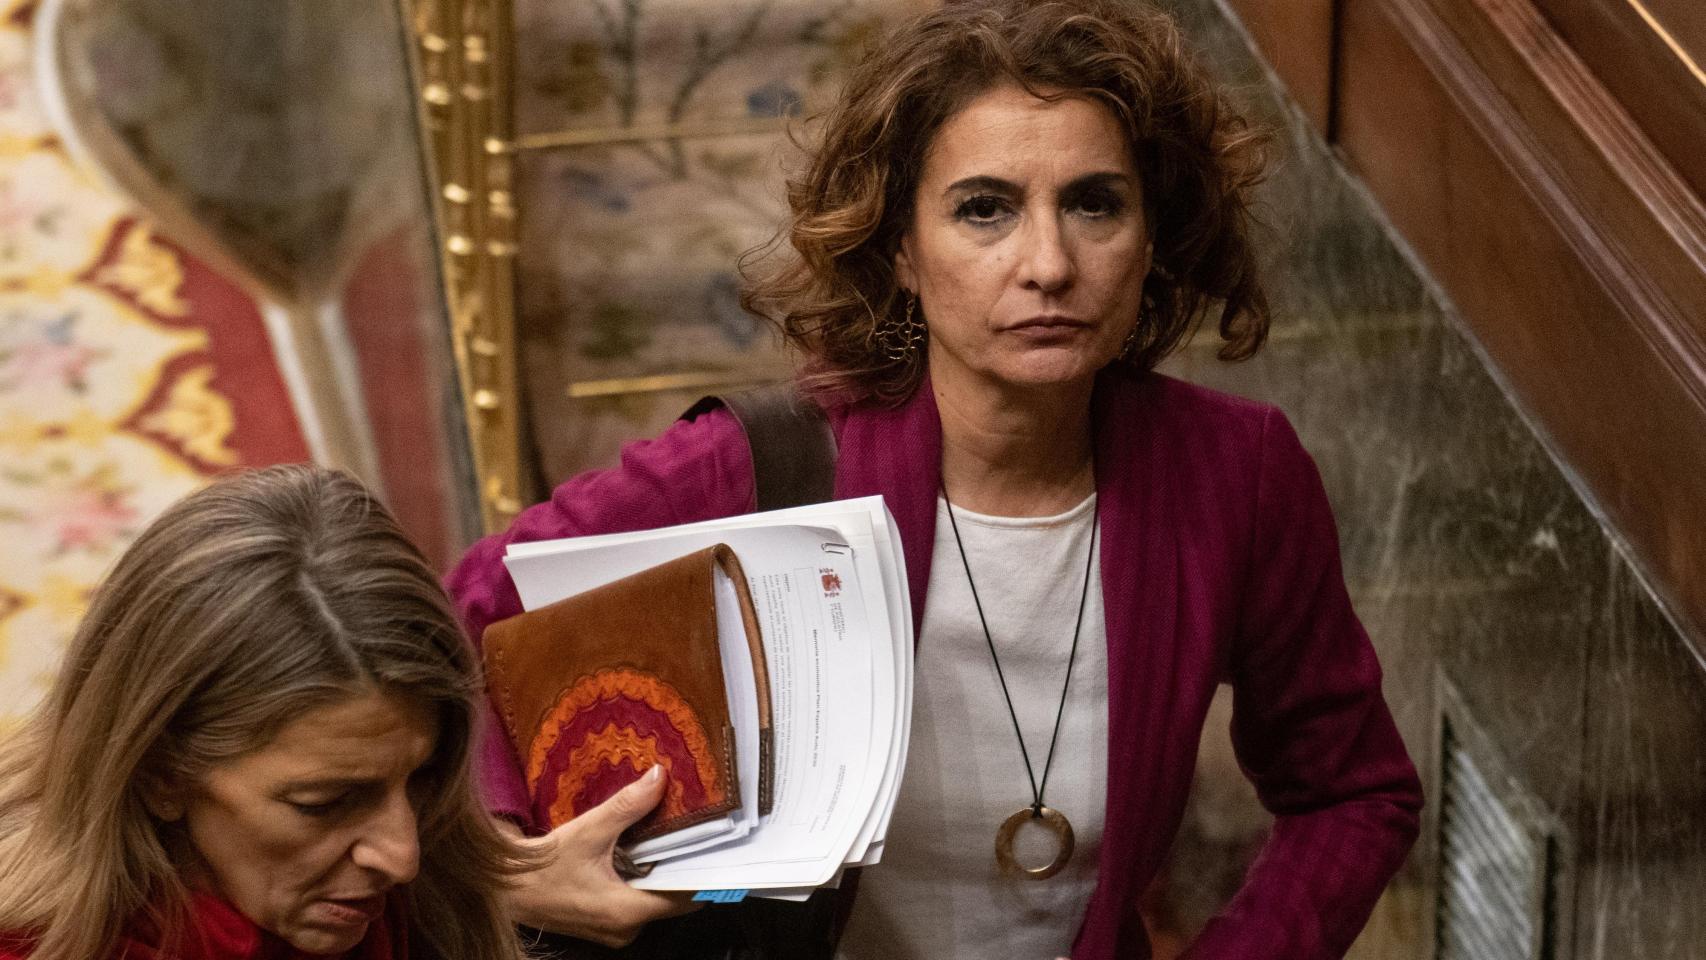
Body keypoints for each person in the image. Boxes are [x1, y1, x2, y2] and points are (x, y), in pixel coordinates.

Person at [448, 1, 1424, 957]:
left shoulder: (1234, 474)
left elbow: (1351, 791)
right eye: (983, 210)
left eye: (1093, 203)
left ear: (1151, 238)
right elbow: (459, 610)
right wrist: (506, 858)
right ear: (902, 250)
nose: (1047, 262)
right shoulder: (770, 464)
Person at [0, 466, 561, 960]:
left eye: (422, 779)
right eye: (324, 804)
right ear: (159, 774)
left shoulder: (425, 887)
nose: (403, 857)